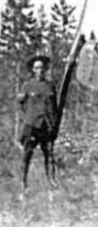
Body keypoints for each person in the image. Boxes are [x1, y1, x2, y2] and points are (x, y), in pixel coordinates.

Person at [18, 55, 58, 190]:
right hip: (31, 124)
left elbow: (54, 106)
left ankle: (51, 181)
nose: (39, 70)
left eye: (41, 67)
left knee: (49, 153)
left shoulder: (50, 85)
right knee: (27, 153)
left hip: (46, 125)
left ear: (45, 69)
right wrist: (30, 115)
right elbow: (21, 103)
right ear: (33, 70)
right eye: (36, 68)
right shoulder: (27, 85)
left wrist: (53, 124)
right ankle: (23, 182)